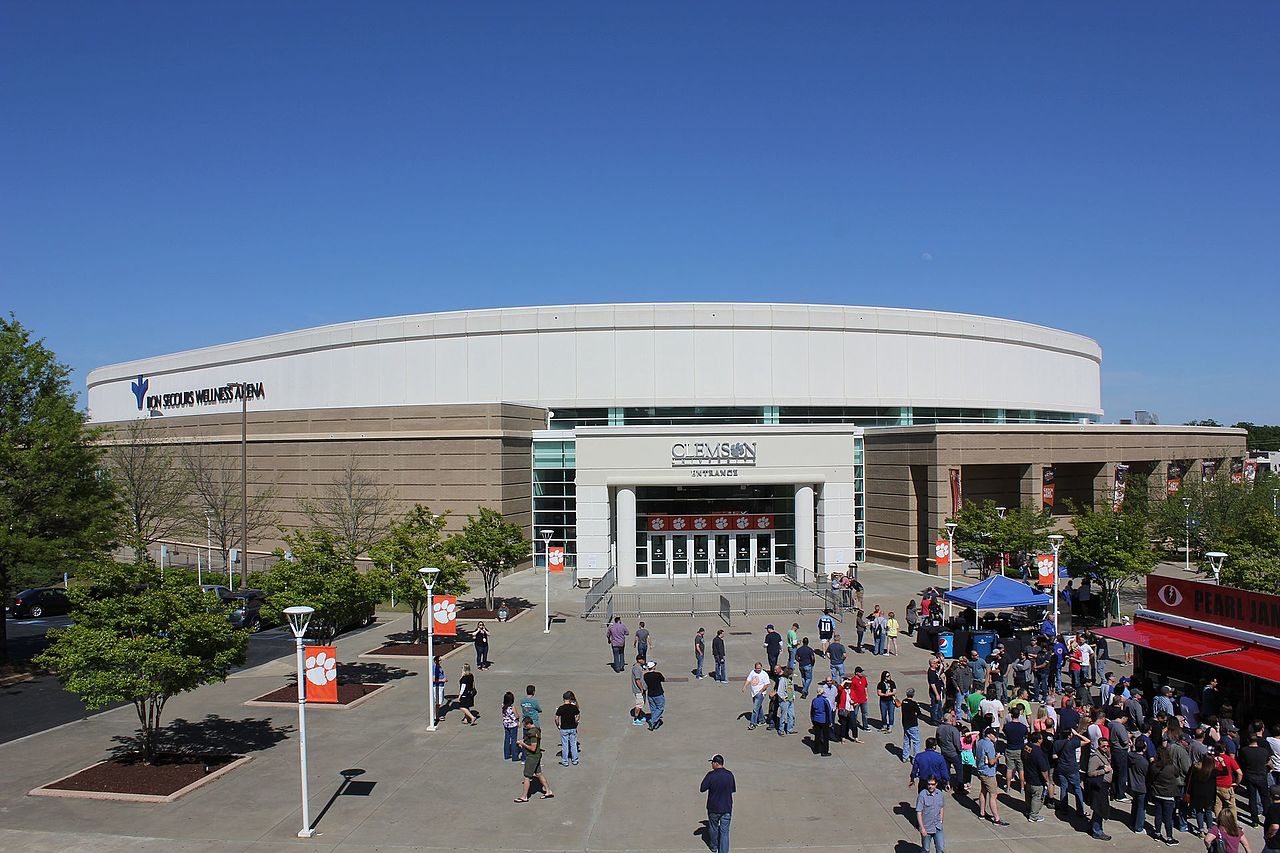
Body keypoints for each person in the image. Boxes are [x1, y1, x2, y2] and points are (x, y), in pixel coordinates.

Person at [514, 716, 554, 802]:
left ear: (528, 724)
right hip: (537, 755)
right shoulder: (536, 730)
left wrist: (523, 745)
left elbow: (533, 748)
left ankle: (524, 796)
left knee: (527, 776)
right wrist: (523, 742)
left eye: (525, 725)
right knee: (539, 773)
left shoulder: (532, 734)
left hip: (532, 757)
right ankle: (548, 791)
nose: (524, 727)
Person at [700, 754, 735, 853]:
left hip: (713, 807)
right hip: (726, 807)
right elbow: (732, 789)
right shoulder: (729, 775)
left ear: (716, 763)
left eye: (712, 763)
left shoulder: (711, 775)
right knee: (724, 832)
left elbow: (702, 788)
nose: (711, 765)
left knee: (713, 828)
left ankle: (714, 846)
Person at [1149, 744, 1183, 844]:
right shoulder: (1171, 767)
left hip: (1157, 793)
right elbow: (1177, 774)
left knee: (1158, 815)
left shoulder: (1154, 766)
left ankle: (1157, 833)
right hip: (1168, 795)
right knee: (1168, 817)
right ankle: (1169, 837)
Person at [975, 727, 1008, 825]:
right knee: (993, 795)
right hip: (989, 773)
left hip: (981, 771)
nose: (996, 737)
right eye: (994, 735)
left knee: (983, 791)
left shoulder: (980, 742)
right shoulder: (989, 745)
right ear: (989, 735)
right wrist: (997, 757)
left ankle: (982, 813)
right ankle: (996, 819)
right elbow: (991, 762)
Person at [1084, 737, 1114, 840]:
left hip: (1104, 787)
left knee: (1099, 809)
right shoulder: (1095, 758)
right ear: (1099, 746)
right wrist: (1103, 771)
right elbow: (1090, 773)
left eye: (1107, 746)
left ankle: (1093, 827)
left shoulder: (1104, 755)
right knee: (1099, 809)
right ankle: (1097, 831)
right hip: (1098, 787)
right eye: (1103, 746)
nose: (1106, 748)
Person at [1024, 730, 1052, 823]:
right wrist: (1047, 780)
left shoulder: (1026, 747)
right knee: (1037, 797)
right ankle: (1033, 816)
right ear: (1039, 740)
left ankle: (1028, 811)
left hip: (1028, 776)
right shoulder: (1039, 753)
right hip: (1037, 779)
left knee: (1028, 796)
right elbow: (1043, 769)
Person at [937, 710, 966, 795]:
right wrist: (960, 750)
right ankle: (960, 787)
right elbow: (957, 743)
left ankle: (947, 784)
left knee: (946, 769)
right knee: (959, 769)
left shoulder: (939, 728)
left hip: (944, 752)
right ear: (950, 719)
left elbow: (938, 740)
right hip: (954, 753)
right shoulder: (953, 730)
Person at [916, 775, 947, 853]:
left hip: (938, 827)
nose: (930, 786)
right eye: (929, 784)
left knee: (940, 848)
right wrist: (922, 828)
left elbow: (941, 808)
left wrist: (941, 821)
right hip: (926, 827)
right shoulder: (922, 795)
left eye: (932, 784)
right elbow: (919, 812)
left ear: (936, 784)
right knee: (926, 850)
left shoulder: (939, 794)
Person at [1002, 705, 1028, 792]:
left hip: (1009, 748)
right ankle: (1022, 787)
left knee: (1009, 769)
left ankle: (1008, 787)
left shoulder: (1007, 726)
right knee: (1021, 769)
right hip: (1020, 749)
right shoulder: (1023, 727)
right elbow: (1025, 736)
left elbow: (1004, 733)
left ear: (1011, 715)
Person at [743, 662, 770, 730]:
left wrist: (760, 692)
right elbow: (748, 679)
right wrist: (744, 686)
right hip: (753, 693)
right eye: (757, 668)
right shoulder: (752, 672)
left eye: (759, 668)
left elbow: (766, 684)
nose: (758, 670)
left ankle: (753, 724)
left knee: (755, 709)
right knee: (759, 707)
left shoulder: (764, 674)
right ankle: (762, 720)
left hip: (760, 694)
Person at [555, 691, 580, 765]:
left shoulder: (561, 708)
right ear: (569, 698)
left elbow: (556, 718)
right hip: (572, 727)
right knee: (573, 744)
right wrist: (576, 722)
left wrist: (558, 725)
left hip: (564, 728)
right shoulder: (574, 707)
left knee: (565, 745)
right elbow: (578, 715)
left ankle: (565, 761)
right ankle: (575, 760)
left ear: (563, 699)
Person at [900, 687, 922, 762]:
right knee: (916, 741)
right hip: (912, 724)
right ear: (913, 694)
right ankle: (915, 759)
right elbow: (919, 713)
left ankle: (905, 757)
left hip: (905, 724)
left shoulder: (903, 702)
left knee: (906, 740)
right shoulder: (914, 704)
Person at [810, 688, 834, 757]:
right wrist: (830, 721)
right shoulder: (825, 701)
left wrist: (812, 719)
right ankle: (825, 751)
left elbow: (812, 711)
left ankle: (816, 749)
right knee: (825, 737)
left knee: (817, 735)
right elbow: (828, 711)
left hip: (816, 720)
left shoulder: (814, 700)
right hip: (824, 720)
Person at [643, 660, 666, 731]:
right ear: (653, 667)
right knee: (660, 708)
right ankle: (653, 721)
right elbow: (663, 679)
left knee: (653, 709)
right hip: (658, 694)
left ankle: (655, 724)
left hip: (650, 694)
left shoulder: (645, 675)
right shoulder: (658, 674)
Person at [775, 666, 797, 736]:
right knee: (783, 716)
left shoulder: (790, 679)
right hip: (784, 701)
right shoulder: (782, 679)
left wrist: (793, 696)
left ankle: (789, 729)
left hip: (791, 700)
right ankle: (781, 730)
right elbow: (780, 691)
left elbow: (792, 688)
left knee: (791, 715)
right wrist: (783, 697)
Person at [848, 666, 870, 735]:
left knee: (865, 713)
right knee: (855, 714)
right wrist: (853, 699)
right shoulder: (853, 680)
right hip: (856, 701)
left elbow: (865, 687)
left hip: (863, 700)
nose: (862, 673)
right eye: (860, 672)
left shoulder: (864, 678)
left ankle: (865, 726)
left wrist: (866, 695)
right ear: (857, 673)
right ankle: (853, 725)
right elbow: (851, 691)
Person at [502, 691, 522, 762]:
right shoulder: (512, 707)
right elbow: (517, 716)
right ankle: (514, 756)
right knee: (514, 740)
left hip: (506, 724)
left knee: (507, 739)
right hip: (513, 725)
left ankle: (506, 754)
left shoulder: (503, 706)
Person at [630, 654, 648, 725]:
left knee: (642, 703)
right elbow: (637, 680)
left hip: (641, 689)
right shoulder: (637, 668)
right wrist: (641, 688)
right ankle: (636, 718)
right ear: (639, 660)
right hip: (639, 690)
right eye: (643, 659)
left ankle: (640, 716)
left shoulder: (640, 667)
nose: (644, 661)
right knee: (639, 704)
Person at [1262, 784, 1280, 853]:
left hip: (1274, 843)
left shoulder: (1273, 808)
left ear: (1270, 796)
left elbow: (1275, 826)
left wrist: (1268, 835)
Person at [432, 656, 447, 722]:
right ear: (435, 661)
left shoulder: (439, 667)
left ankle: (437, 715)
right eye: (439, 660)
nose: (441, 661)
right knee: (438, 702)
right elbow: (433, 679)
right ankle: (436, 716)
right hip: (437, 686)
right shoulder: (434, 668)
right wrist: (442, 680)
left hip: (441, 686)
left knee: (440, 701)